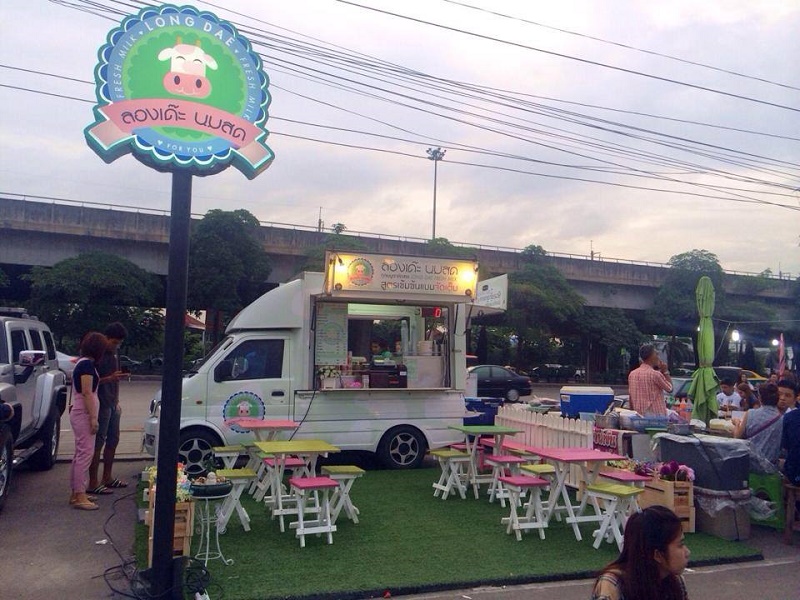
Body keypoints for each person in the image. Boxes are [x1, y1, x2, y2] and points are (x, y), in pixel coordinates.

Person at [591, 505, 690, 600]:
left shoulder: (676, 582)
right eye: (680, 545)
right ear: (658, 555)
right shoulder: (613, 585)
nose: (687, 552)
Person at [88, 322, 128, 494]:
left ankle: (108, 477)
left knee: (113, 439)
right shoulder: (97, 355)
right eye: (114, 342)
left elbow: (115, 378)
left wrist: (116, 399)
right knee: (98, 442)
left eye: (119, 343)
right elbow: (89, 382)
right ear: (106, 338)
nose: (116, 346)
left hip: (112, 403)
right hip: (100, 404)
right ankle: (93, 482)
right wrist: (109, 378)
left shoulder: (114, 354)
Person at [69, 331, 107, 510]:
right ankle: (80, 495)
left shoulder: (83, 363)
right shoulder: (86, 366)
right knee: (85, 454)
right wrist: (93, 418)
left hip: (81, 412)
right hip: (84, 413)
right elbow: (87, 392)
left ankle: (77, 492)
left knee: (80, 454)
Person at [732, 383, 783, 466]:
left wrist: (737, 423)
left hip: (750, 462)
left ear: (760, 398)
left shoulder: (750, 413)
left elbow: (737, 436)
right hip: (770, 465)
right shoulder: (782, 418)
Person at [628, 344, 672, 416]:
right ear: (652, 356)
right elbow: (670, 389)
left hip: (638, 417)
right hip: (656, 417)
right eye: (656, 354)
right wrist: (665, 371)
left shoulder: (632, 374)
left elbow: (631, 399)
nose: (658, 357)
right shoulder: (655, 374)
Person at [781, 380, 800, 485]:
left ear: (795, 398)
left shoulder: (791, 417)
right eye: (779, 394)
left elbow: (785, 446)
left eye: (787, 395)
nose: (782, 398)